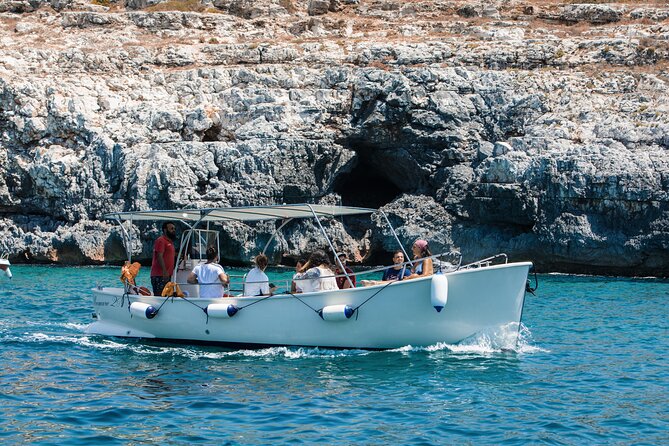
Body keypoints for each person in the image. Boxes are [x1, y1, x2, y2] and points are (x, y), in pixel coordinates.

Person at [150, 221, 177, 296]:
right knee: (160, 296)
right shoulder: (161, 240)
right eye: (171, 228)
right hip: (160, 275)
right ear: (165, 230)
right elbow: (159, 256)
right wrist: (164, 271)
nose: (174, 230)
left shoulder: (170, 242)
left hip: (167, 275)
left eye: (174, 228)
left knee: (166, 296)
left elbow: (168, 254)